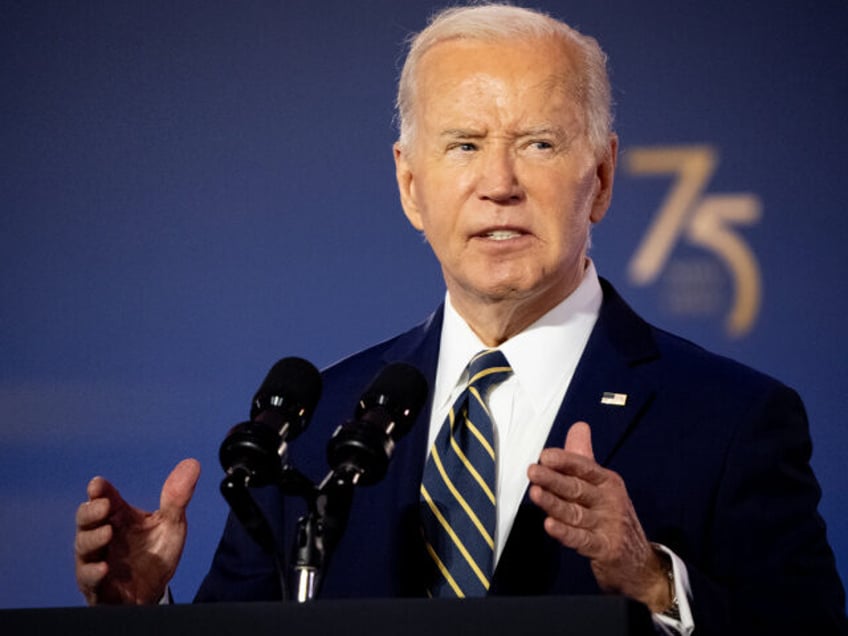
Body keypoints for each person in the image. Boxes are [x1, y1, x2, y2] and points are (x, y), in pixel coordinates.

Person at [74, 3, 846, 633]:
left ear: (602, 178)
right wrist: (148, 617)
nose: (498, 183)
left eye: (538, 143)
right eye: (464, 145)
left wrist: (653, 581)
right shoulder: (315, 432)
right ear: (411, 184)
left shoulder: (731, 420)